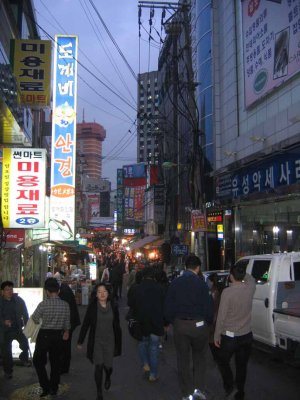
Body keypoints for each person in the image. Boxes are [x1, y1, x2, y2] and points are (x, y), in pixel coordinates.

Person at [164, 254, 214, 400]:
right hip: (199, 326)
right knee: (199, 358)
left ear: (185, 267)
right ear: (198, 268)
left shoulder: (175, 283)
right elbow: (208, 308)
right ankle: (199, 389)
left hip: (180, 325)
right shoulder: (201, 284)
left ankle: (186, 393)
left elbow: (168, 307)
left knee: (183, 360)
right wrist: (208, 323)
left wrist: (172, 321)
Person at [214, 264, 256, 400]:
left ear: (231, 276)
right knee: (242, 365)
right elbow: (251, 279)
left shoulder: (227, 292)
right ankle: (240, 391)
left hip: (230, 337)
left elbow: (221, 316)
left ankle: (229, 387)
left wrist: (216, 334)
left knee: (222, 361)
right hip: (246, 336)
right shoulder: (249, 288)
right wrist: (243, 273)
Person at [77, 283, 122, 400]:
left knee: (108, 366)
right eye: (99, 292)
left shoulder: (113, 306)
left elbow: (117, 325)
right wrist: (80, 341)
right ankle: (99, 392)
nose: (102, 294)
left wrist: (119, 339)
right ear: (96, 295)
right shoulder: (92, 307)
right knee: (99, 366)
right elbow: (86, 324)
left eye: (104, 291)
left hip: (110, 340)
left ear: (108, 293)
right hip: (96, 340)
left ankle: (108, 376)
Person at [31, 278, 70, 397]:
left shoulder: (43, 304)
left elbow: (35, 318)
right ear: (58, 291)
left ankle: (45, 386)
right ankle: (54, 387)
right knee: (56, 363)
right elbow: (67, 323)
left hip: (44, 335)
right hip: (58, 335)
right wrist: (66, 331)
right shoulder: (65, 305)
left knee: (38, 361)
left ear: (47, 291)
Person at [128, 267, 165, 382]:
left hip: (141, 323)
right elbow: (164, 306)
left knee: (142, 343)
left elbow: (131, 304)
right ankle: (153, 374)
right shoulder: (160, 288)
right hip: (156, 323)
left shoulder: (137, 289)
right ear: (153, 276)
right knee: (154, 348)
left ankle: (145, 363)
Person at [0, 281, 30, 379]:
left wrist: (27, 325)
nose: (9, 291)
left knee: (25, 344)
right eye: (7, 290)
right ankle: (8, 371)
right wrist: (4, 322)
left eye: (11, 289)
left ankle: (23, 357)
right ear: (2, 292)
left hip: (17, 328)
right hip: (4, 331)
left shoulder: (18, 300)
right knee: (6, 352)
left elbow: (25, 313)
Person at [58, 280, 81, 374]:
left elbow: (66, 312)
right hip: (72, 321)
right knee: (66, 345)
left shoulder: (64, 294)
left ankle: (63, 367)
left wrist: (66, 328)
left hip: (69, 322)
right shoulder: (65, 290)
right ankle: (64, 367)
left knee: (64, 345)